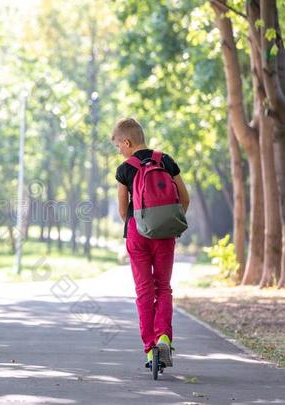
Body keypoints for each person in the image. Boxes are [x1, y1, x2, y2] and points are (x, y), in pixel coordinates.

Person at [112, 118, 190, 368]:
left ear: (127, 142)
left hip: (138, 232)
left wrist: (138, 226)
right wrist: (169, 222)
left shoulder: (125, 169)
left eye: (118, 147)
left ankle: (149, 350)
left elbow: (123, 210)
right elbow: (184, 199)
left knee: (144, 291)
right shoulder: (165, 160)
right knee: (164, 287)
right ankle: (164, 336)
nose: (119, 151)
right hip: (165, 233)